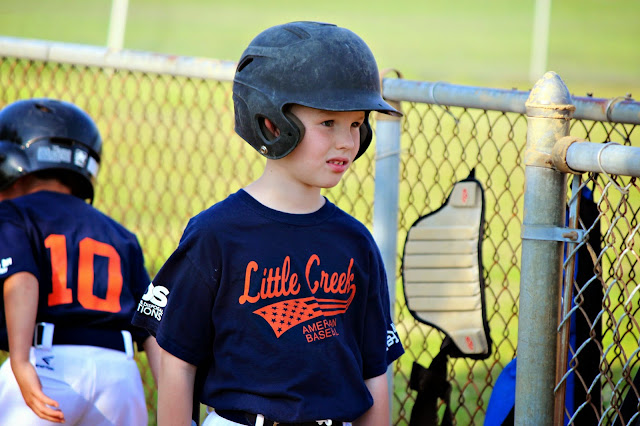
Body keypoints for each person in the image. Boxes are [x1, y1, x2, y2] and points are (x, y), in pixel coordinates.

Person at [132, 21, 404, 426]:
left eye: (356, 123)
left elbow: (374, 371)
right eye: (328, 123)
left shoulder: (355, 242)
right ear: (271, 123)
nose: (347, 141)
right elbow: (177, 359)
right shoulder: (217, 234)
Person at [0, 98, 160, 425]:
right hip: (121, 374)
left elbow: (21, 278)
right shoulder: (121, 234)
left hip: (46, 360)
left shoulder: (12, 213)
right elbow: (154, 327)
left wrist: (20, 361)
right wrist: (177, 406)